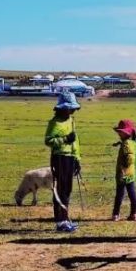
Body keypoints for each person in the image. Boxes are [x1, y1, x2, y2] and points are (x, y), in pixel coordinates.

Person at [44, 91, 82, 233]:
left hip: (70, 158)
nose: (72, 111)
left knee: (67, 189)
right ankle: (60, 221)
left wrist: (77, 159)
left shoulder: (71, 121)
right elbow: (48, 141)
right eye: (70, 108)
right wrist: (64, 140)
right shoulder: (54, 123)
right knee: (60, 190)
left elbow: (75, 141)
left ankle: (66, 218)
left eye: (73, 109)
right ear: (62, 108)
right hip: (59, 158)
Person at [111, 118, 136, 221]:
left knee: (120, 195)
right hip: (131, 174)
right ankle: (134, 213)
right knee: (132, 194)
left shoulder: (126, 144)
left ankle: (116, 214)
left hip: (123, 174)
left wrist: (124, 165)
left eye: (120, 132)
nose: (119, 134)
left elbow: (130, 156)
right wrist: (119, 144)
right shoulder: (131, 143)